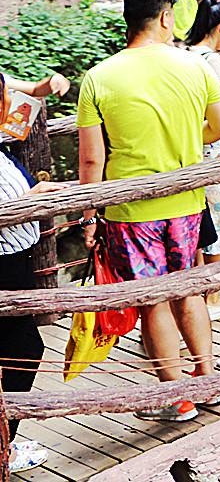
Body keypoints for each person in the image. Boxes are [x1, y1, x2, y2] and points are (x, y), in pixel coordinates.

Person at [77, 0, 220, 423]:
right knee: (189, 291)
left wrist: (90, 215)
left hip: (130, 210)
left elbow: (92, 157)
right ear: (166, 17)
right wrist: (187, 137)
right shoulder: (194, 66)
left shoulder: (99, 76)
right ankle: (208, 382)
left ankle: (178, 396)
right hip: (187, 203)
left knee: (154, 302)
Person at [0, 71, 67, 472]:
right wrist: (30, 199)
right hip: (4, 264)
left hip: (14, 259)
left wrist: (39, 90)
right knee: (25, 351)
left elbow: (21, 89)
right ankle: (3, 443)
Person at [185, 0, 220, 312]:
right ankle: (215, 292)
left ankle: (199, 283)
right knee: (218, 216)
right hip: (214, 146)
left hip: (190, 145)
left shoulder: (184, 55)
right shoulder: (214, 60)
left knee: (197, 216)